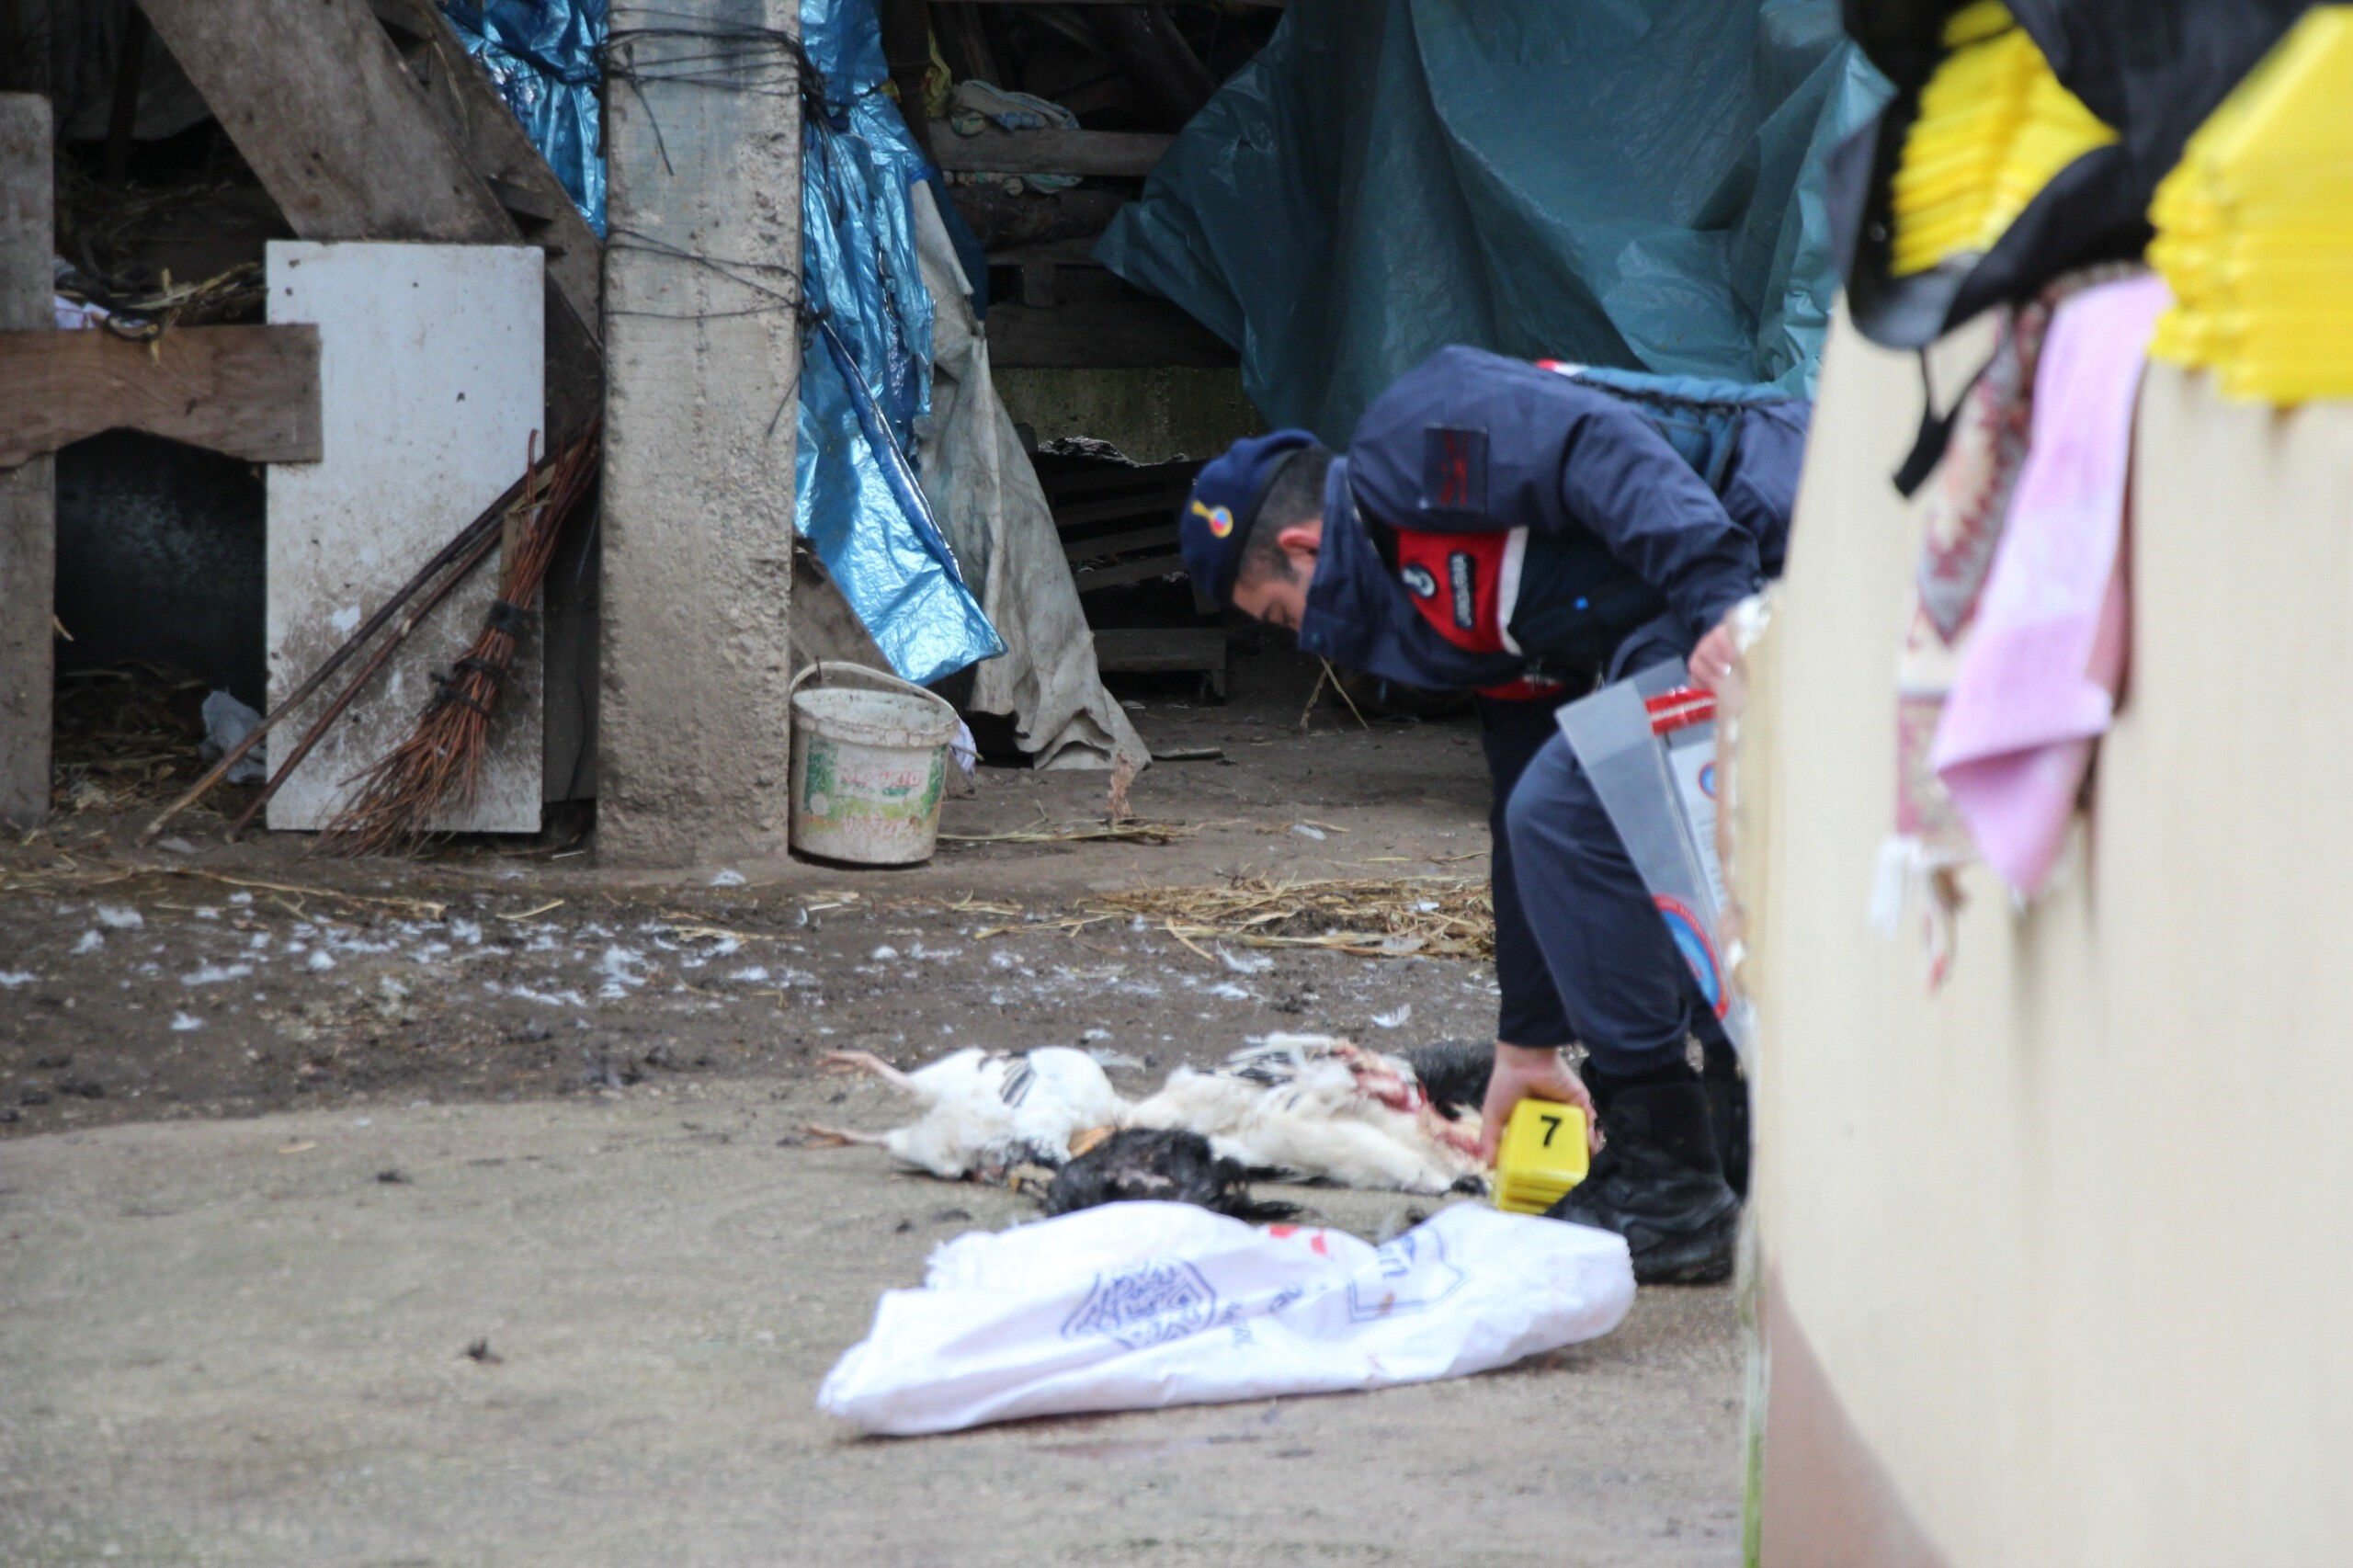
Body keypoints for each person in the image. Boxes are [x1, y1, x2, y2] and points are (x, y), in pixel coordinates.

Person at [1178, 345, 1808, 1283]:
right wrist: (1526, 1041)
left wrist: (1722, 603)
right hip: (1700, 590)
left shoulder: (1411, 441)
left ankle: (1668, 1182)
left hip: (1783, 524)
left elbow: (1598, 445)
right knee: (1570, 808)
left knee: (1578, 805)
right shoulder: (1452, 622)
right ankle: (1727, 1135)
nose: (1302, 639)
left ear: (1305, 548)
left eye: (1280, 613)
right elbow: (1521, 810)